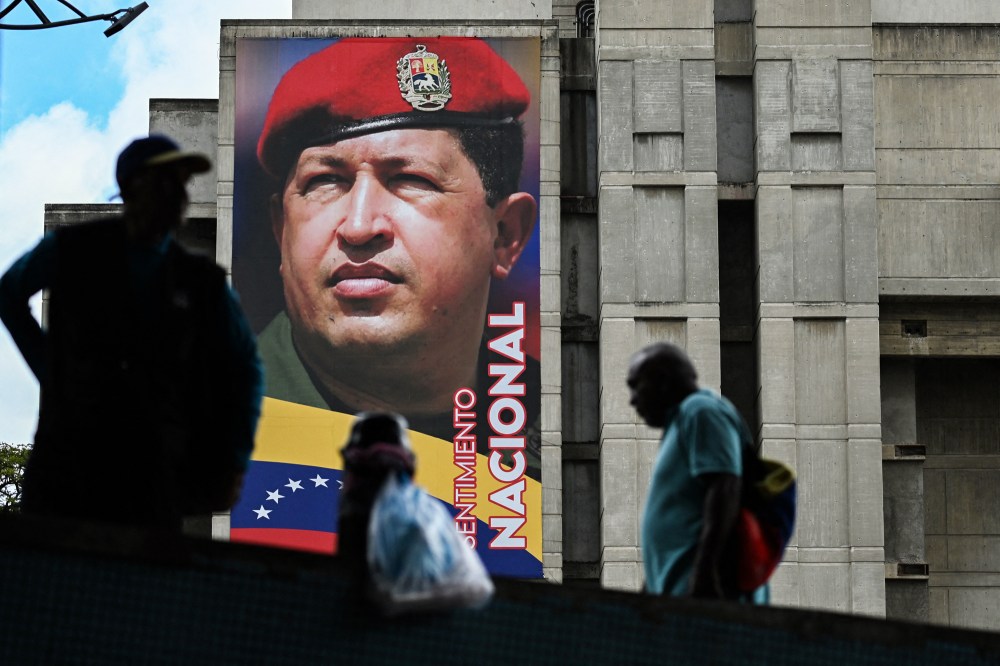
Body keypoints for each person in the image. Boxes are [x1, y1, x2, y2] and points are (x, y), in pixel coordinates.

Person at [250, 38, 541, 473]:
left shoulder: (574, 428)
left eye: (410, 180)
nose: (359, 226)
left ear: (504, 235)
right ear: (280, 230)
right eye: (325, 182)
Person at [0, 134, 264, 531]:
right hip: (70, 458)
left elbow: (243, 365)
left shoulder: (201, 281)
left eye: (182, 184)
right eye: (168, 182)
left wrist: (234, 461)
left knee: (140, 584)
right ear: (134, 187)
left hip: (154, 470)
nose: (180, 195)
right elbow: (8, 295)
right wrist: (52, 372)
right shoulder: (71, 249)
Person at [627, 342, 765, 602]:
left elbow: (725, 486)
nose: (633, 400)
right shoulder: (682, 422)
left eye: (636, 386)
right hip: (680, 596)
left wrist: (704, 572)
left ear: (663, 381)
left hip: (705, 596)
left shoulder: (701, 411)